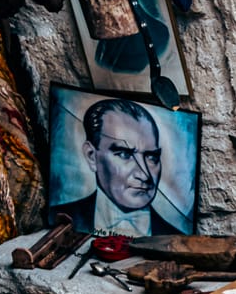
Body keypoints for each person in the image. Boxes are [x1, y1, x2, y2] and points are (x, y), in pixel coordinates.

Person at [51, 97, 184, 236]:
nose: (144, 175)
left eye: (152, 157)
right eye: (124, 154)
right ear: (91, 156)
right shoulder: (58, 217)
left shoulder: (175, 238)